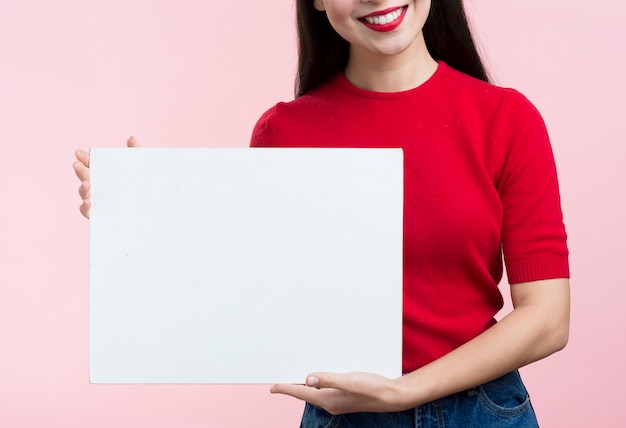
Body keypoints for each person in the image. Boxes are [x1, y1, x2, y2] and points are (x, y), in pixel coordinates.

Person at [74, 0, 570, 426]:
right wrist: (149, 221)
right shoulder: (284, 133)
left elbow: (547, 319)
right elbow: (247, 292)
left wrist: (404, 390)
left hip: (481, 410)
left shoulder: (507, 119)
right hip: (343, 418)